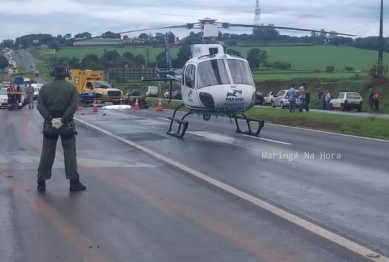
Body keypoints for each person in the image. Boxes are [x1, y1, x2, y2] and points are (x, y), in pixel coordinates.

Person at [36, 62, 86, 192]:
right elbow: (73, 106)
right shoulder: (71, 88)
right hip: (67, 125)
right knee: (70, 154)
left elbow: (40, 106)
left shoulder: (44, 88)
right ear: (66, 73)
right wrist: (63, 119)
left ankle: (41, 181)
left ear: (53, 73)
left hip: (49, 126)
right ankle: (73, 182)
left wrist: (51, 119)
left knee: (47, 153)